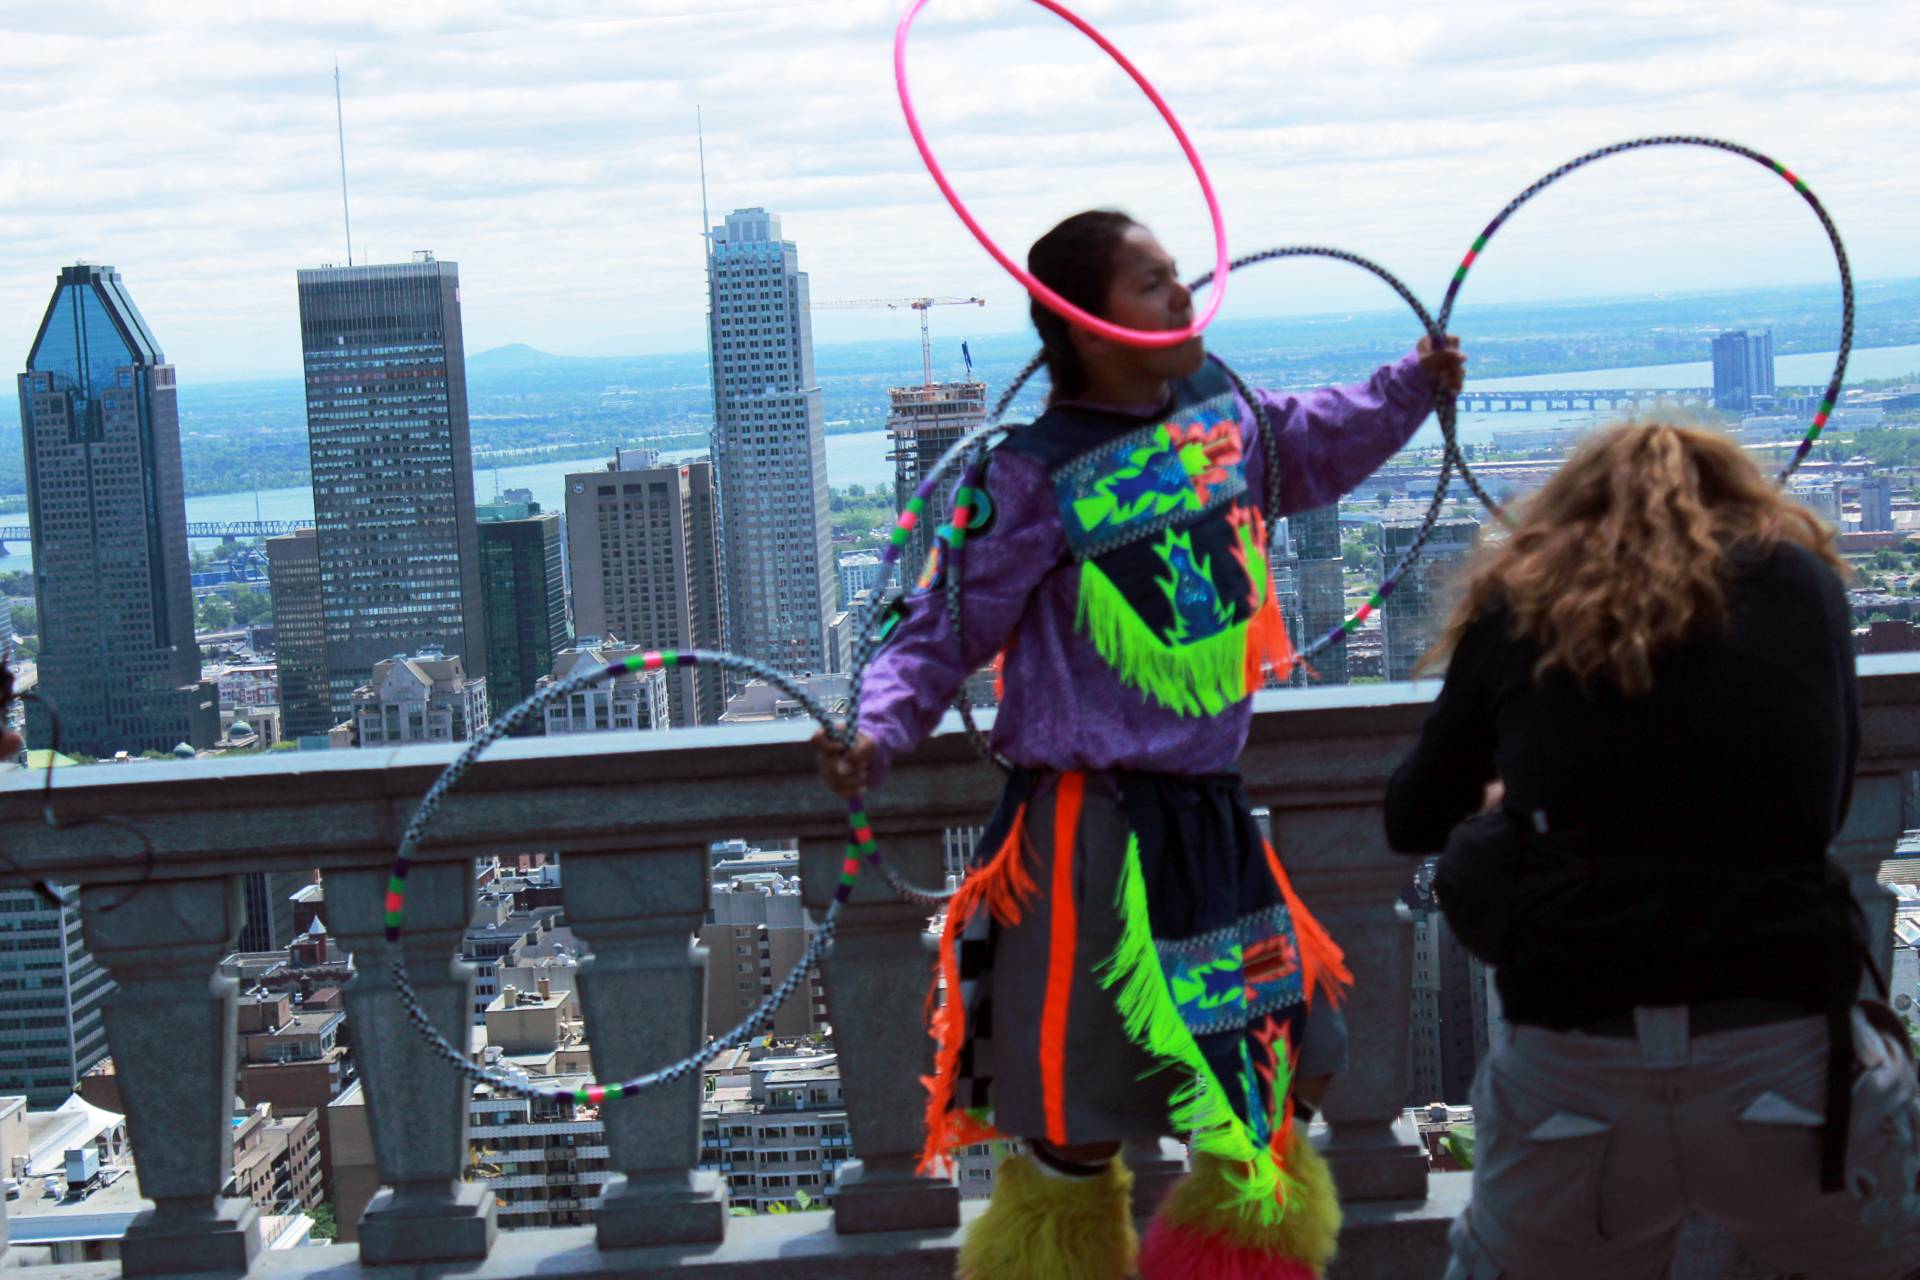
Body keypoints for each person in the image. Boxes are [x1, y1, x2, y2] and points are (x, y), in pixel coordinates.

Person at [815, 209, 1465, 1280]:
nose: (1184, 297)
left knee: (1267, 1084)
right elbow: (939, 624)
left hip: (1208, 825)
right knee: (1069, 1112)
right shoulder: (1027, 475)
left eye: (1180, 275)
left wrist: (1413, 381)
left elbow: (1315, 438)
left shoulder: (1225, 413)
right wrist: (874, 732)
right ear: (1082, 321)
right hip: (1081, 840)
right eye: (1155, 282)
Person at [1384, 422, 1920, 1280]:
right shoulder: (1802, 583)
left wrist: (1507, 804)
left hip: (1578, 1055)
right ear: (1739, 499)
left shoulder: (1526, 598)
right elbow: (1818, 805)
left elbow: (1413, 816)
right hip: (1786, 1046)